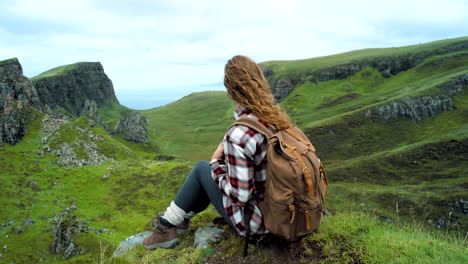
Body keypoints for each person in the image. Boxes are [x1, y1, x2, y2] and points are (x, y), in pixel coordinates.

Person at [143, 55, 294, 250]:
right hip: (287, 214)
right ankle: (178, 220)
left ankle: (165, 228)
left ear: (230, 89)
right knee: (208, 172)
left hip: (259, 226)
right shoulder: (277, 119)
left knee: (202, 169)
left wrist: (215, 164)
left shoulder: (240, 133)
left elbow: (241, 197)